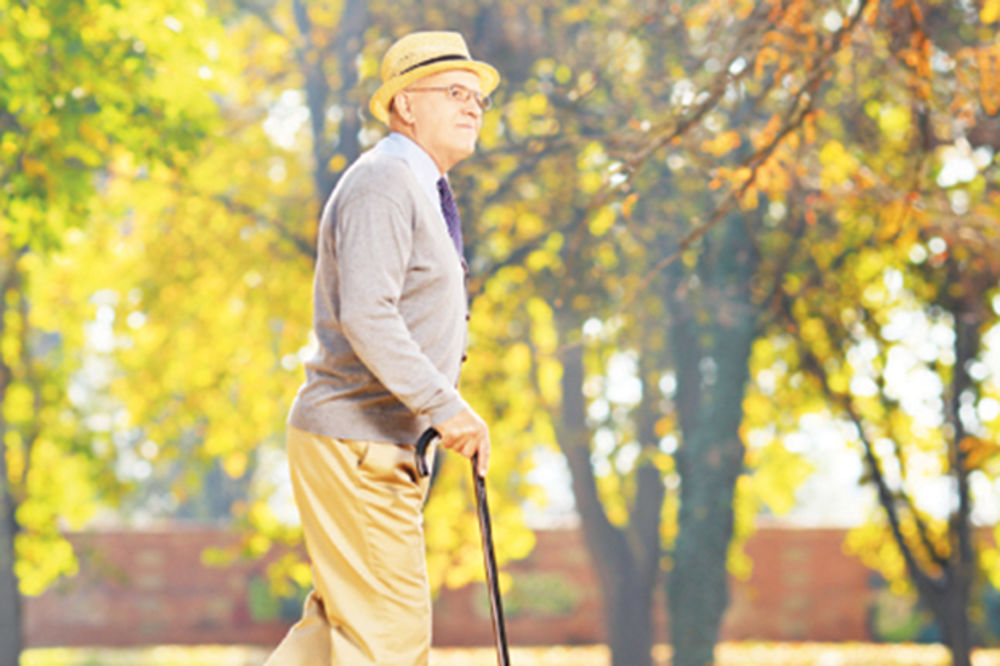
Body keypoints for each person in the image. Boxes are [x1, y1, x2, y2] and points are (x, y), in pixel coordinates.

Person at [264, 31, 499, 666]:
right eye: (454, 92)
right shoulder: (385, 182)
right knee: (390, 640)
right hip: (357, 440)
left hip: (377, 442)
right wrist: (445, 406)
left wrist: (438, 406)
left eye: (477, 96)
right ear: (404, 106)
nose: (473, 105)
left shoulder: (415, 186)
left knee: (334, 632)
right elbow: (367, 314)